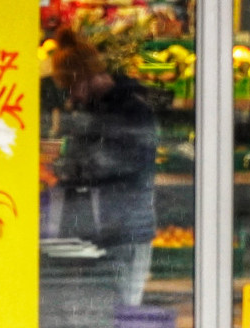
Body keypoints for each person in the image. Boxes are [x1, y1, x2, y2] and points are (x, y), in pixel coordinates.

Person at [50, 28, 158, 306]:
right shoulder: (97, 109)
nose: (70, 97)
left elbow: (122, 163)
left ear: (83, 79)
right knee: (103, 312)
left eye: (70, 87)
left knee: (122, 311)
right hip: (102, 230)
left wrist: (72, 169)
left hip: (126, 231)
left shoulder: (132, 110)